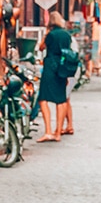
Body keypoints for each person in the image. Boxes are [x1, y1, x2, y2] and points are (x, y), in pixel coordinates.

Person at [36, 10, 72, 142]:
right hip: (63, 67)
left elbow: (41, 48)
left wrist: (45, 35)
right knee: (61, 100)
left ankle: (48, 131)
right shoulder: (66, 35)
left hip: (50, 66)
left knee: (43, 98)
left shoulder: (50, 35)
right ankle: (58, 132)